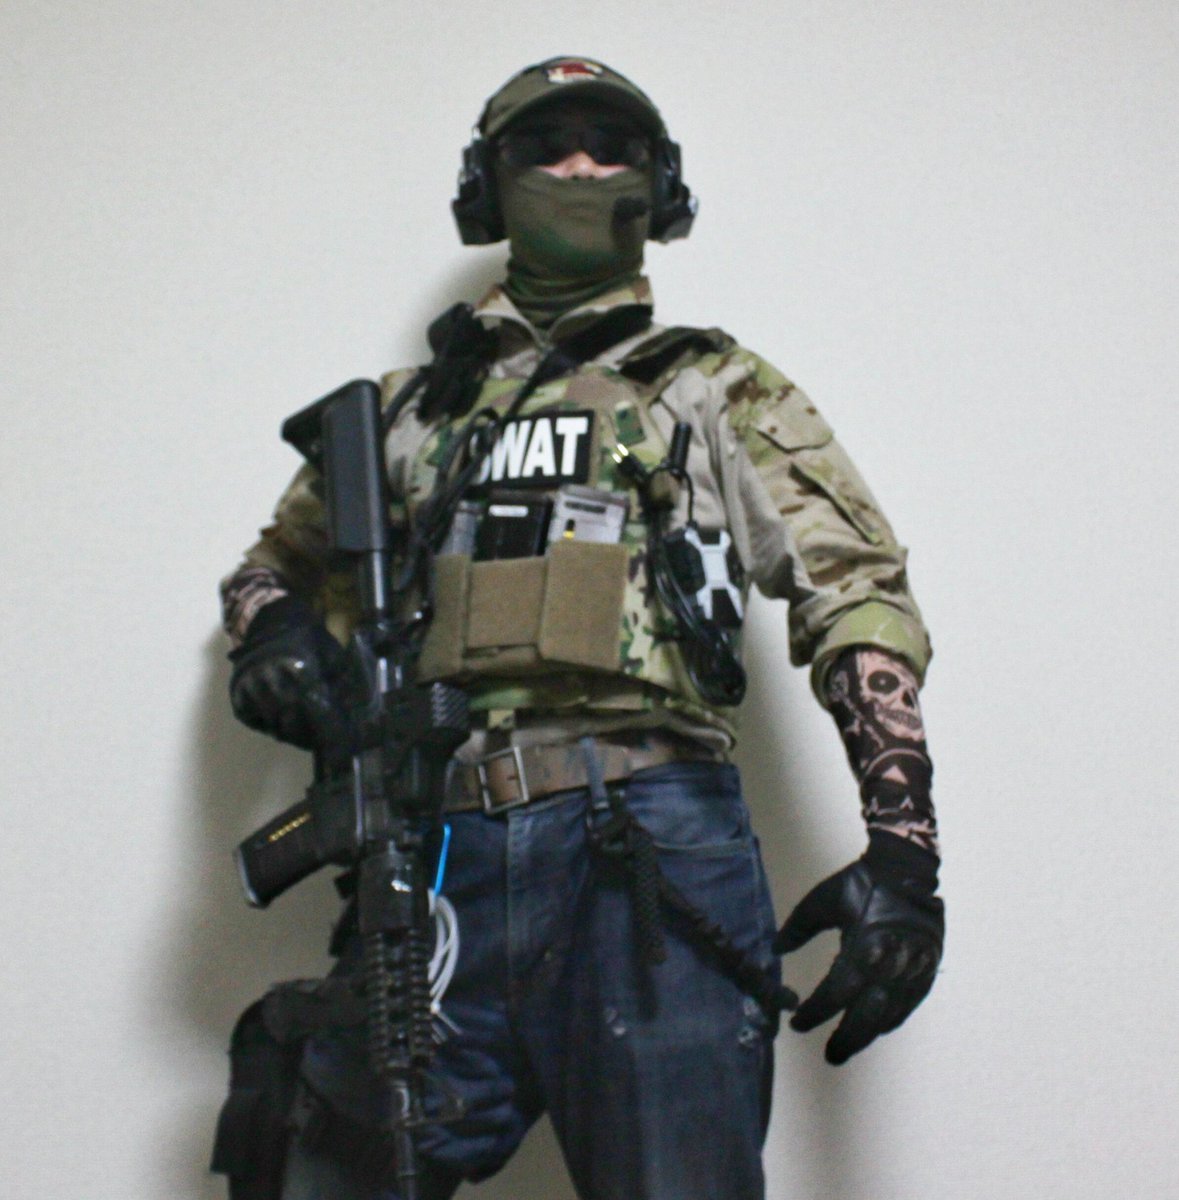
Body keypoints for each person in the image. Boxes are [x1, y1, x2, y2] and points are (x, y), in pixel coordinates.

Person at [214, 56, 944, 1200]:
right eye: (545, 145)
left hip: (647, 841)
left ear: (659, 186)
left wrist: (905, 853)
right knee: (318, 1152)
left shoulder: (708, 386)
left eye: (613, 143)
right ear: (487, 185)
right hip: (439, 852)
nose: (581, 166)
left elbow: (855, 592)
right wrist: (272, 637)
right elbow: (269, 573)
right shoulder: (406, 416)